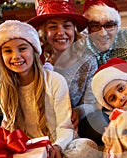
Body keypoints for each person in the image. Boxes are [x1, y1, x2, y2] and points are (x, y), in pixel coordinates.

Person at [0, 20, 99, 158]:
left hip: (58, 144)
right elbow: (10, 129)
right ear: (0, 56)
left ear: (34, 51)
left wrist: (57, 148)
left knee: (87, 149)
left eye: (22, 48)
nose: (16, 56)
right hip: (28, 151)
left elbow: (64, 126)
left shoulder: (54, 81)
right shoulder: (3, 91)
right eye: (7, 51)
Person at [27, 0, 103, 145]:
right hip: (40, 119)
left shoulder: (87, 61)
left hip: (75, 118)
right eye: (53, 27)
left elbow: (92, 101)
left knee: (100, 124)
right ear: (43, 32)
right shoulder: (36, 61)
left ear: (74, 30)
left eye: (66, 26)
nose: (61, 32)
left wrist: (79, 112)